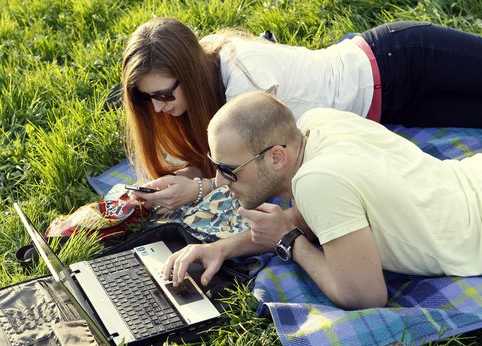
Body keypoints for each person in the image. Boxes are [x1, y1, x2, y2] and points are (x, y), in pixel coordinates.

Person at [163, 91, 482, 310]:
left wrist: (290, 243)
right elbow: (302, 220)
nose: (218, 182)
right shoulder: (317, 123)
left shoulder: (318, 183)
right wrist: (222, 247)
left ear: (276, 157)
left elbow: (366, 296)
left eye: (228, 170)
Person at [121, 18, 482, 210]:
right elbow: (223, 164)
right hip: (389, 107)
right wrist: (183, 178)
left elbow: (257, 169)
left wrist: (197, 188)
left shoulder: (242, 75)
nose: (158, 107)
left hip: (399, 60)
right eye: (147, 98)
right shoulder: (201, 92)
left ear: (192, 72)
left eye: (164, 94)